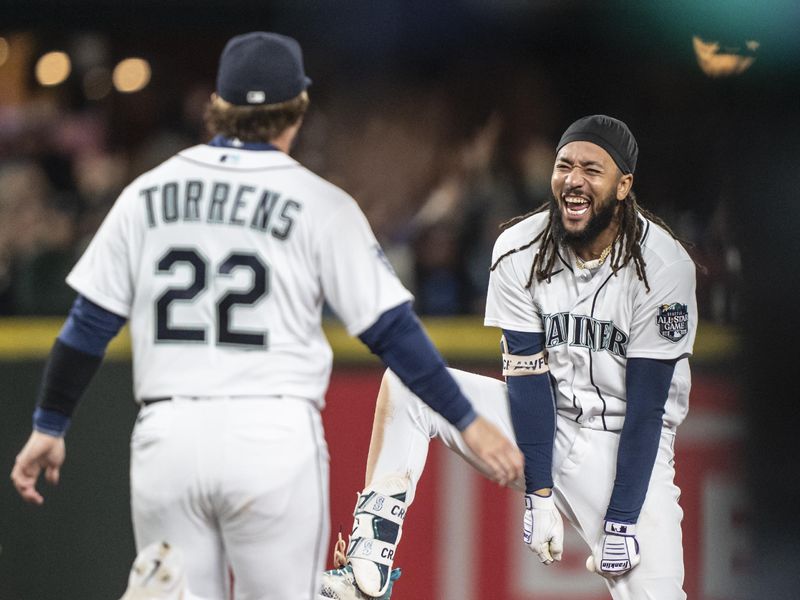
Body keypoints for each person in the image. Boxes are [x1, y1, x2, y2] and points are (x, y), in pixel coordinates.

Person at [9, 32, 523, 600]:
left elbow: (87, 326)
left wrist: (48, 425)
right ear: (297, 110)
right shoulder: (319, 203)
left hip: (170, 436)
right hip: (272, 437)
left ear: (218, 108)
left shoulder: (147, 194)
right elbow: (392, 332)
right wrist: (467, 420)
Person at [322, 115, 696, 600]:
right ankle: (365, 569)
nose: (573, 180)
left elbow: (646, 412)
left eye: (591, 169)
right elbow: (527, 378)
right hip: (544, 425)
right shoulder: (520, 249)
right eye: (564, 166)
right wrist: (539, 494)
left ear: (624, 185)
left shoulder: (664, 266)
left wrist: (621, 521)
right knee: (409, 386)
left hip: (627, 451)